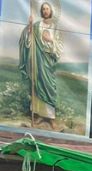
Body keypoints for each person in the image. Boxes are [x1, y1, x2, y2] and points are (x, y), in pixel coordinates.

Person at [19, 2, 63, 130]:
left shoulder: (55, 28)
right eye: (43, 9)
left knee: (49, 87)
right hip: (37, 61)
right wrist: (29, 29)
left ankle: (51, 118)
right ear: (41, 11)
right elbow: (28, 40)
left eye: (47, 9)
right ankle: (39, 115)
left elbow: (59, 46)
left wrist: (50, 40)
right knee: (37, 86)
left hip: (48, 61)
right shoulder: (37, 25)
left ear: (51, 11)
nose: (45, 11)